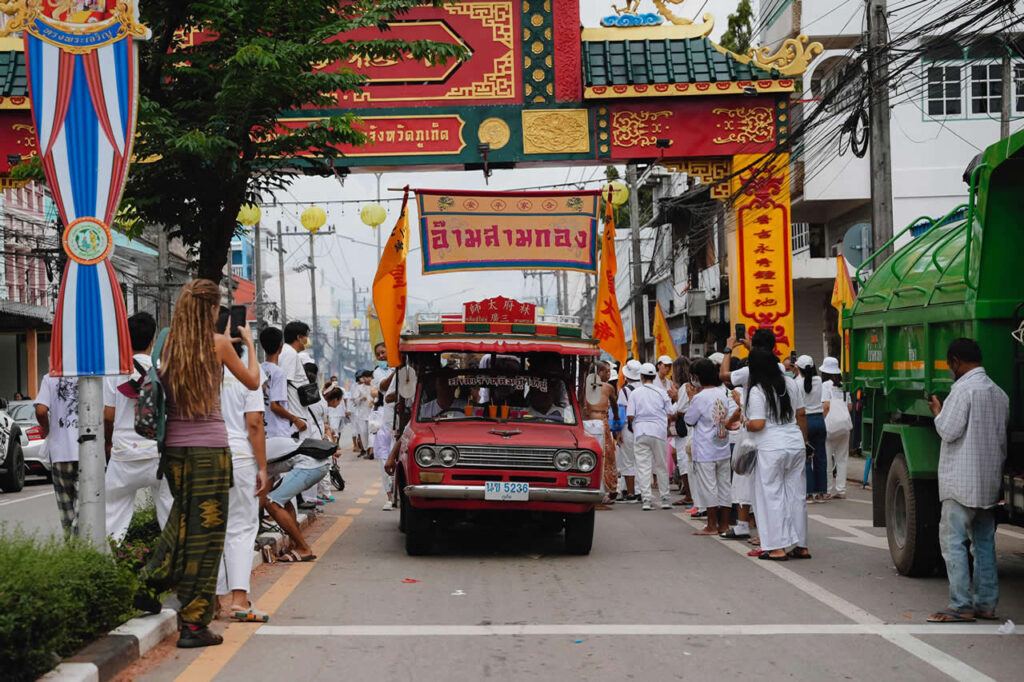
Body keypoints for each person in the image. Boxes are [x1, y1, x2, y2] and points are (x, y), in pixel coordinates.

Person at [136, 279, 260, 649]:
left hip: (174, 452)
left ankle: (150, 581)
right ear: (210, 309)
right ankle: (193, 624)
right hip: (209, 452)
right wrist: (250, 345)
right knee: (206, 538)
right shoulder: (219, 344)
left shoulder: (167, 345)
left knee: (185, 521)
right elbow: (253, 382)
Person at [927, 338, 1008, 623]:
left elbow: (948, 432)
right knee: (984, 543)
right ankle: (986, 603)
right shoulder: (999, 394)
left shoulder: (962, 391)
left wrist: (937, 412)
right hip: (988, 482)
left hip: (960, 481)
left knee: (953, 543)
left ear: (955, 362)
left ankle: (961, 604)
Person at [215, 310, 270, 623]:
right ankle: (239, 599)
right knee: (241, 527)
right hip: (239, 457)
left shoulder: (199, 365)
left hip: (205, 453)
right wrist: (263, 467)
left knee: (210, 526)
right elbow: (255, 423)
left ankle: (208, 599)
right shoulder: (249, 370)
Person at [104, 311, 172, 542]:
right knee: (170, 513)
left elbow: (108, 415)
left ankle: (108, 569)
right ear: (153, 340)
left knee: (113, 516)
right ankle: (174, 568)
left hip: (123, 452)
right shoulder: (164, 369)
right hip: (158, 451)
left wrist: (108, 443)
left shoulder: (115, 370)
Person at [745, 348, 810, 561]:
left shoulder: (757, 390)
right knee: (796, 495)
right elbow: (801, 414)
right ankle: (800, 545)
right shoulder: (791, 382)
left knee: (771, 496)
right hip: (795, 443)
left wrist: (745, 423)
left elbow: (758, 423)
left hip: (771, 447)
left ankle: (777, 547)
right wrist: (804, 440)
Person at [684, 359, 736, 535]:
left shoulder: (700, 397)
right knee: (724, 485)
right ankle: (724, 524)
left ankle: (712, 524)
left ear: (698, 377)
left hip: (706, 448)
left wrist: (691, 399)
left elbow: (689, 420)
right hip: (722, 444)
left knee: (709, 487)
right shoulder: (723, 393)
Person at [34, 373, 80, 536]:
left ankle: (71, 548)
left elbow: (40, 410)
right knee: (88, 505)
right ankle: (83, 543)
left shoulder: (49, 378)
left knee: (66, 506)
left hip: (60, 452)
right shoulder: (91, 372)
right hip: (88, 453)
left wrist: (47, 429)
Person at [627, 363, 674, 511]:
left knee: (643, 467)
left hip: (641, 432)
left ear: (641, 377)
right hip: (659, 432)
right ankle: (665, 499)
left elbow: (630, 415)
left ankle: (646, 500)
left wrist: (635, 426)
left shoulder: (635, 393)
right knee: (661, 466)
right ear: (654, 376)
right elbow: (671, 412)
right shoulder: (662, 392)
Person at [260, 327, 305, 439]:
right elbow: (274, 406)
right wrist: (295, 420)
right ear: (281, 347)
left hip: (263, 429)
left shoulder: (259, 369)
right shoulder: (278, 372)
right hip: (278, 431)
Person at [795, 355, 828, 503]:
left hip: (805, 421)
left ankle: (808, 493)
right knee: (821, 457)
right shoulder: (819, 381)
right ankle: (821, 493)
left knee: (806, 456)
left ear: (799, 369)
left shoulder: (797, 383)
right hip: (819, 420)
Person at [585, 360, 618, 505]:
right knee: (605, 459)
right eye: (606, 371)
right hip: (601, 423)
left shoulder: (583, 387)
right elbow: (615, 404)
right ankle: (603, 492)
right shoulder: (608, 387)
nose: (608, 374)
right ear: (599, 372)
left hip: (587, 424)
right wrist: (616, 417)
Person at [820, 356, 852, 499]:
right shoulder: (844, 385)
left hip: (830, 427)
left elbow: (825, 406)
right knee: (842, 458)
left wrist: (824, 420)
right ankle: (841, 490)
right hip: (844, 426)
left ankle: (827, 490)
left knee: (827, 458)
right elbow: (849, 406)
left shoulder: (825, 385)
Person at [615, 360, 642, 502]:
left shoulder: (625, 391)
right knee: (641, 461)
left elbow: (621, 412)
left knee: (628, 461)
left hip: (628, 428)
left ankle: (631, 492)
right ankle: (640, 491)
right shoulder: (645, 388)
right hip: (642, 428)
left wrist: (618, 431)